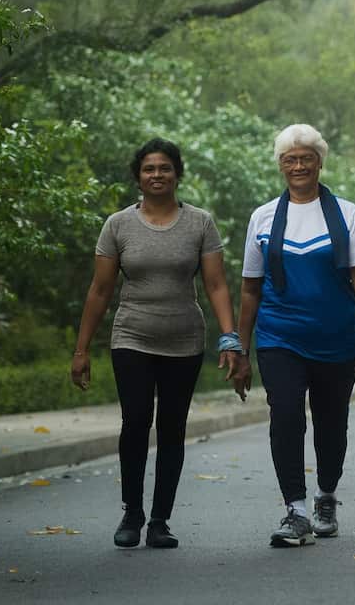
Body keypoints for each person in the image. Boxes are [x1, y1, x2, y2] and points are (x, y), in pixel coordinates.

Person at [72, 138, 244, 550]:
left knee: (172, 429)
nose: (157, 175)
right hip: (132, 335)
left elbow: (217, 284)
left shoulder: (200, 222)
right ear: (138, 176)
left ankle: (161, 520)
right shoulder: (118, 225)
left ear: (177, 174)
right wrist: (81, 350)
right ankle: (132, 512)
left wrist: (230, 338)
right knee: (134, 423)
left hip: (184, 340)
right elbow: (99, 289)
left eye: (165, 168)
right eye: (149, 169)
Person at [236, 124, 355, 548]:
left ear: (320, 162)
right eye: (290, 159)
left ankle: (326, 496)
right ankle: (296, 510)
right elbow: (250, 287)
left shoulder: (347, 213)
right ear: (280, 165)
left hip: (336, 337)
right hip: (279, 335)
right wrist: (240, 348)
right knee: (285, 413)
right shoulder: (263, 216)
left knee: (331, 422)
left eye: (306, 158)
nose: (298, 166)